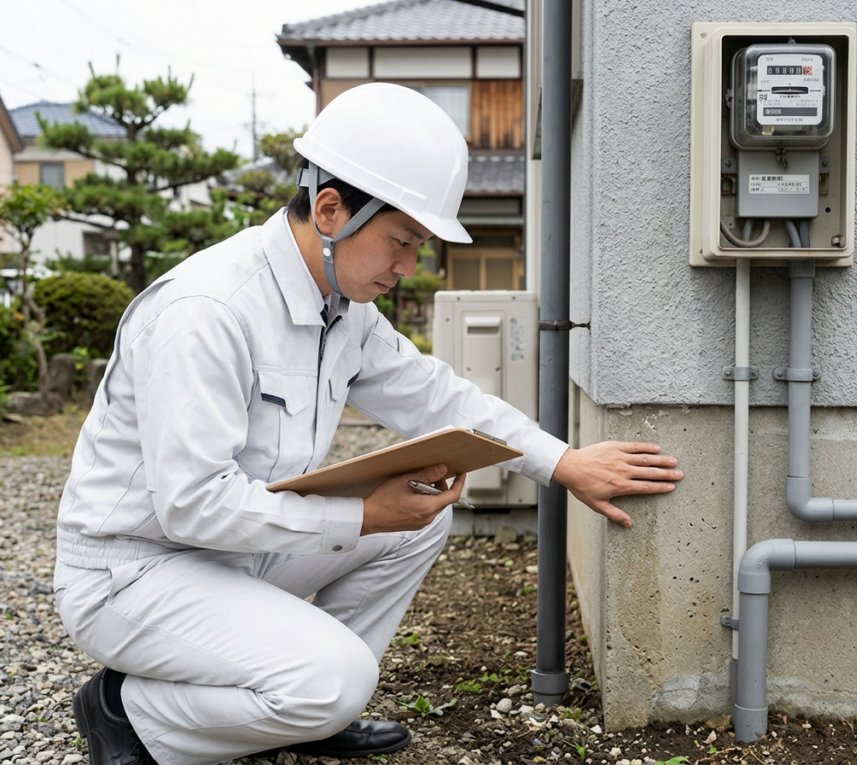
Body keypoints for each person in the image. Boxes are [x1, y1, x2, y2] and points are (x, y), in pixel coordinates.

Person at [54, 82, 683, 765]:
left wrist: (561, 462)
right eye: (401, 242)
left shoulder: (340, 308)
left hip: (228, 552)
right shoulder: (207, 312)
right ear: (330, 210)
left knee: (421, 516)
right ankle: (128, 712)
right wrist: (360, 514)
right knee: (340, 676)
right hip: (136, 571)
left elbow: (436, 395)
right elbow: (192, 504)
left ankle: (293, 709)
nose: (408, 268)